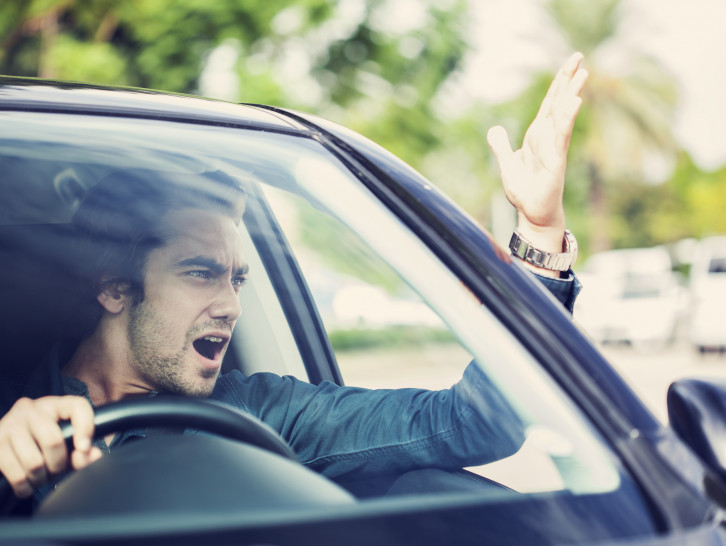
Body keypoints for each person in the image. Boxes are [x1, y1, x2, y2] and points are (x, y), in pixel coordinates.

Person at [0, 53, 588, 507]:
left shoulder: (262, 415)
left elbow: (471, 422)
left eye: (237, 280)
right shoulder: (11, 411)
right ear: (114, 287)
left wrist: (538, 233)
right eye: (200, 272)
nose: (230, 304)